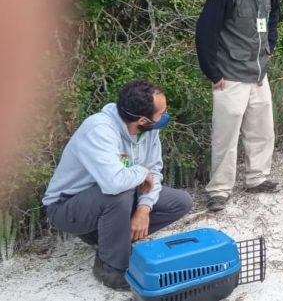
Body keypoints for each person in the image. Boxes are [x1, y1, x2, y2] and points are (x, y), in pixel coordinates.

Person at [42, 80, 192, 290]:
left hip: (113, 197)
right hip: (68, 206)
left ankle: (110, 238)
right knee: (119, 192)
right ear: (142, 119)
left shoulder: (149, 130)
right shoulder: (99, 129)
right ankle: (110, 268)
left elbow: (154, 173)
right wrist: (142, 172)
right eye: (162, 112)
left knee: (180, 202)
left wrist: (144, 209)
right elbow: (113, 183)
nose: (165, 116)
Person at [195, 0, 283, 212]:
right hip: (230, 75)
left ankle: (257, 178)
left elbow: (272, 18)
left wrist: (270, 46)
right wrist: (212, 72)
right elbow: (205, 31)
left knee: (262, 131)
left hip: (258, 73)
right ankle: (219, 190)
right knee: (225, 137)